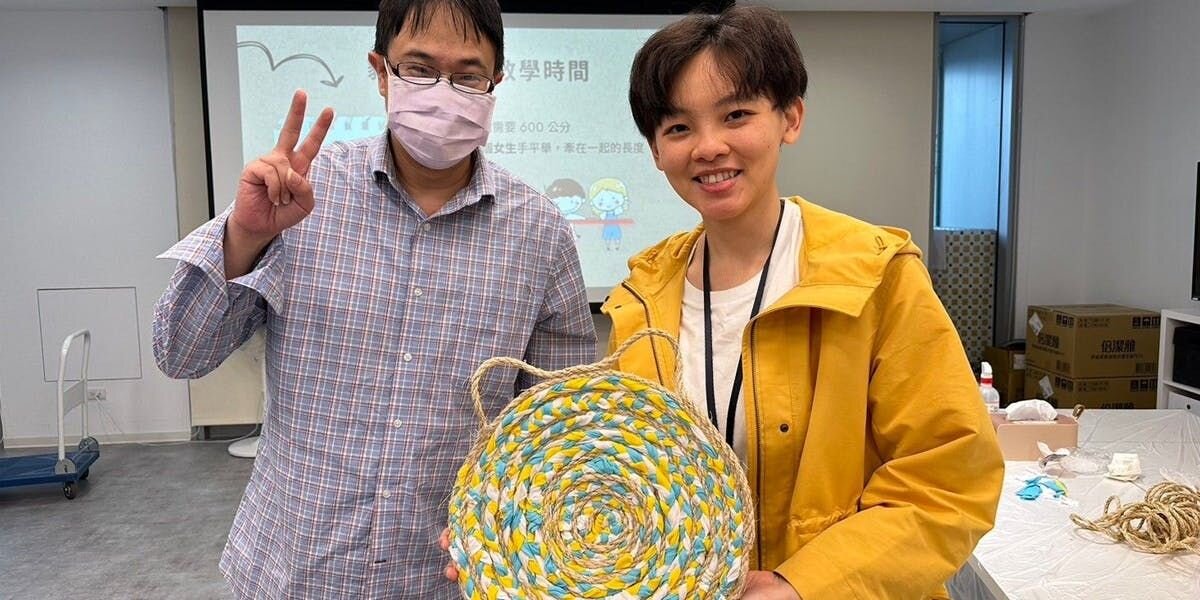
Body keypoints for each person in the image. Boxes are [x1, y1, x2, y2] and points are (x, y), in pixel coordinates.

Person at [152, 0, 596, 597]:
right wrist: (246, 236)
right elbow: (180, 354)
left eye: (467, 75)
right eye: (417, 67)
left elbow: (557, 427)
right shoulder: (299, 196)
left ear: (496, 83)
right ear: (381, 71)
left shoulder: (540, 231)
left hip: (450, 577)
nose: (444, 92)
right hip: (296, 569)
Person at [599, 6, 1004, 599]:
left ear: (790, 118)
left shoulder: (878, 277)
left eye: (736, 115)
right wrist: (523, 546)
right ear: (656, 151)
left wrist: (801, 586)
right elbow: (622, 485)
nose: (709, 147)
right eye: (678, 128)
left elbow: (950, 481)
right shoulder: (641, 299)